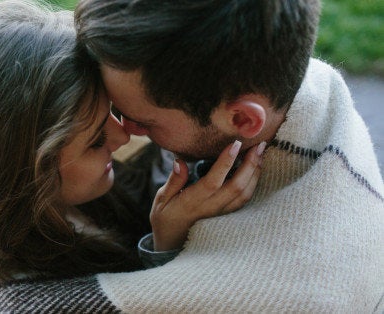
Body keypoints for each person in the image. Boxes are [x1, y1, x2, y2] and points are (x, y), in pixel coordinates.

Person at [0, 1, 264, 313]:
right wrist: (168, 240)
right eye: (97, 139)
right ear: (30, 172)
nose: (124, 134)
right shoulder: (28, 301)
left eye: (110, 111)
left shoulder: (68, 181)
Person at [68, 0, 383, 312]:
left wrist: (168, 244)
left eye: (144, 121)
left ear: (243, 120)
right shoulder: (272, 78)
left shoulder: (288, 292)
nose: (127, 132)